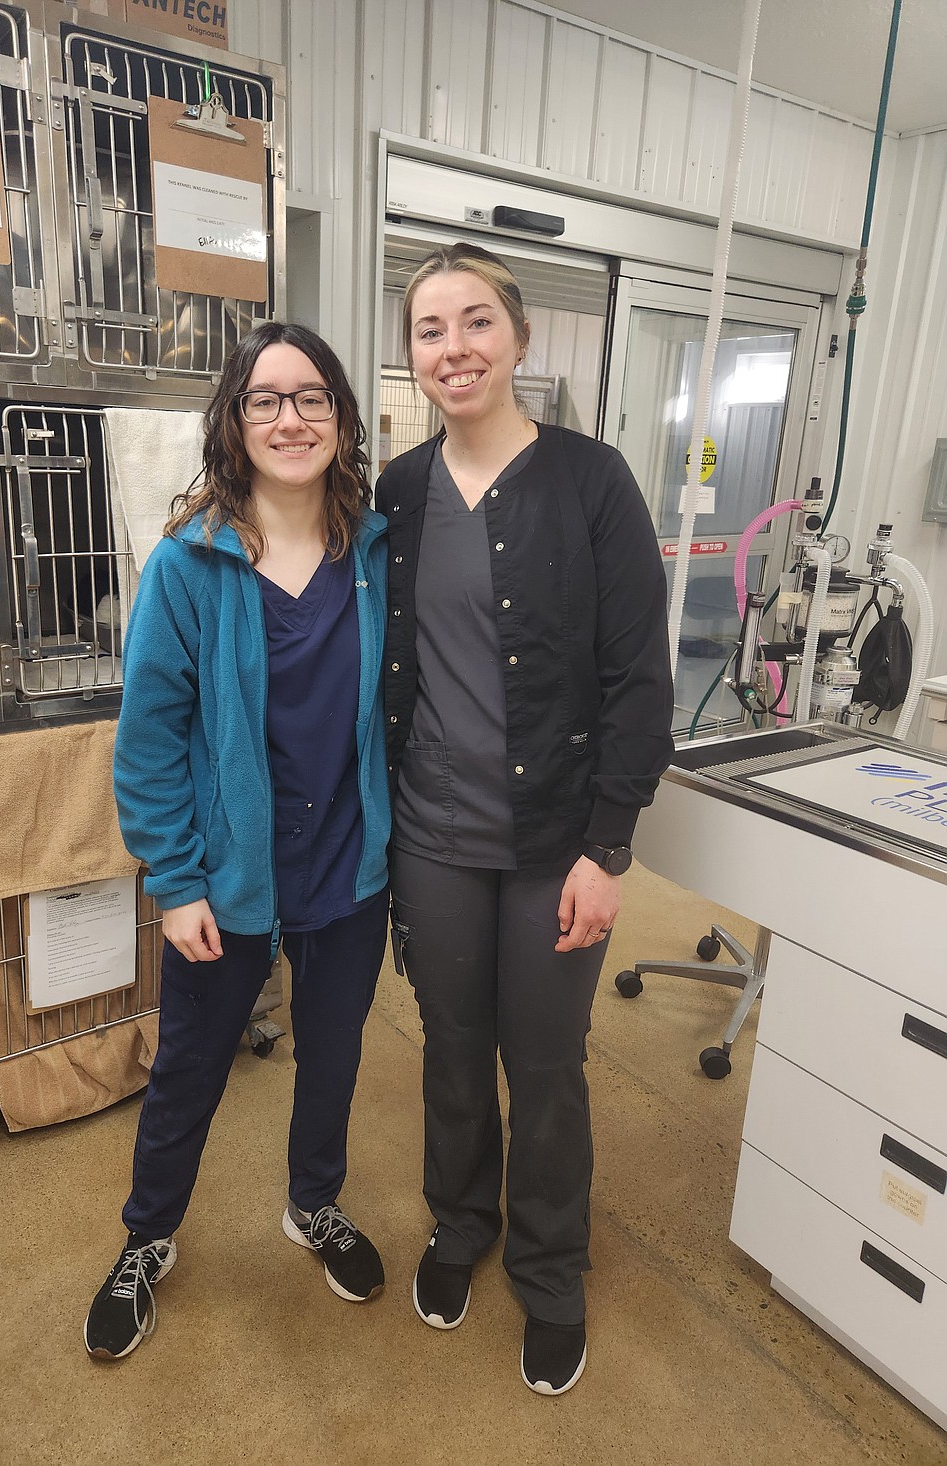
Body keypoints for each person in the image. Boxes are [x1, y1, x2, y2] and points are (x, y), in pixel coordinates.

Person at [376, 244, 674, 1396]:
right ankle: (460, 1224)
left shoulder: (590, 482)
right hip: (431, 834)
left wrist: (607, 848)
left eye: (475, 322)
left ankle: (550, 1273)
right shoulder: (397, 492)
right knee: (450, 1051)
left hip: (555, 839)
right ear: (410, 352)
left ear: (517, 336)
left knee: (545, 1064)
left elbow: (636, 684)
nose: (453, 348)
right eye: (429, 328)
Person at [84, 322, 391, 1361]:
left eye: (310, 397)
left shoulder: (375, 554)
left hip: (348, 868)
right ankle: (146, 1237)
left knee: (334, 1057)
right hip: (226, 877)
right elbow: (148, 742)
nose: (289, 417)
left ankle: (313, 1203)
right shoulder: (189, 564)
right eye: (265, 399)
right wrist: (175, 880)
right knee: (189, 1067)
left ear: (342, 418)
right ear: (234, 420)